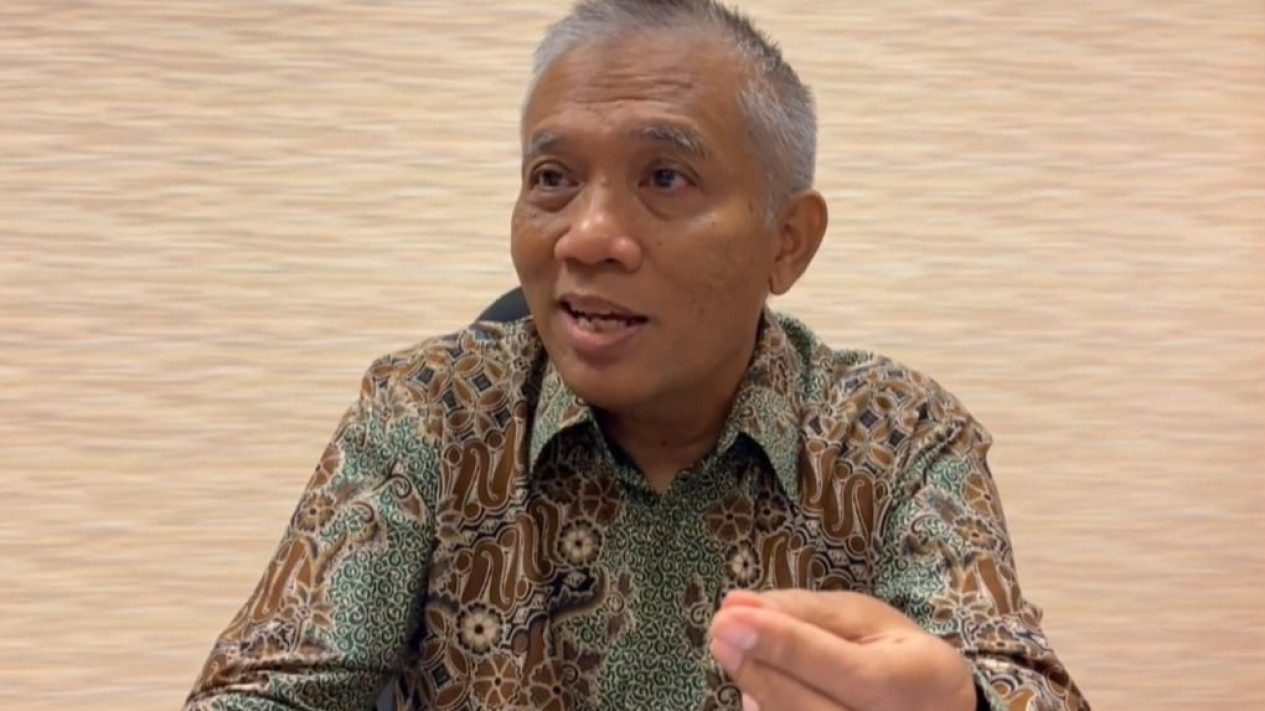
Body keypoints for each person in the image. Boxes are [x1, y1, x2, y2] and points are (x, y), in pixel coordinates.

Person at [184, 1, 1090, 709]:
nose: (587, 236)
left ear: (787, 242)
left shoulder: (897, 437)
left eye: (665, 177)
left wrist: (963, 704)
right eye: (552, 178)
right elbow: (264, 689)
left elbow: (1019, 678)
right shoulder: (428, 411)